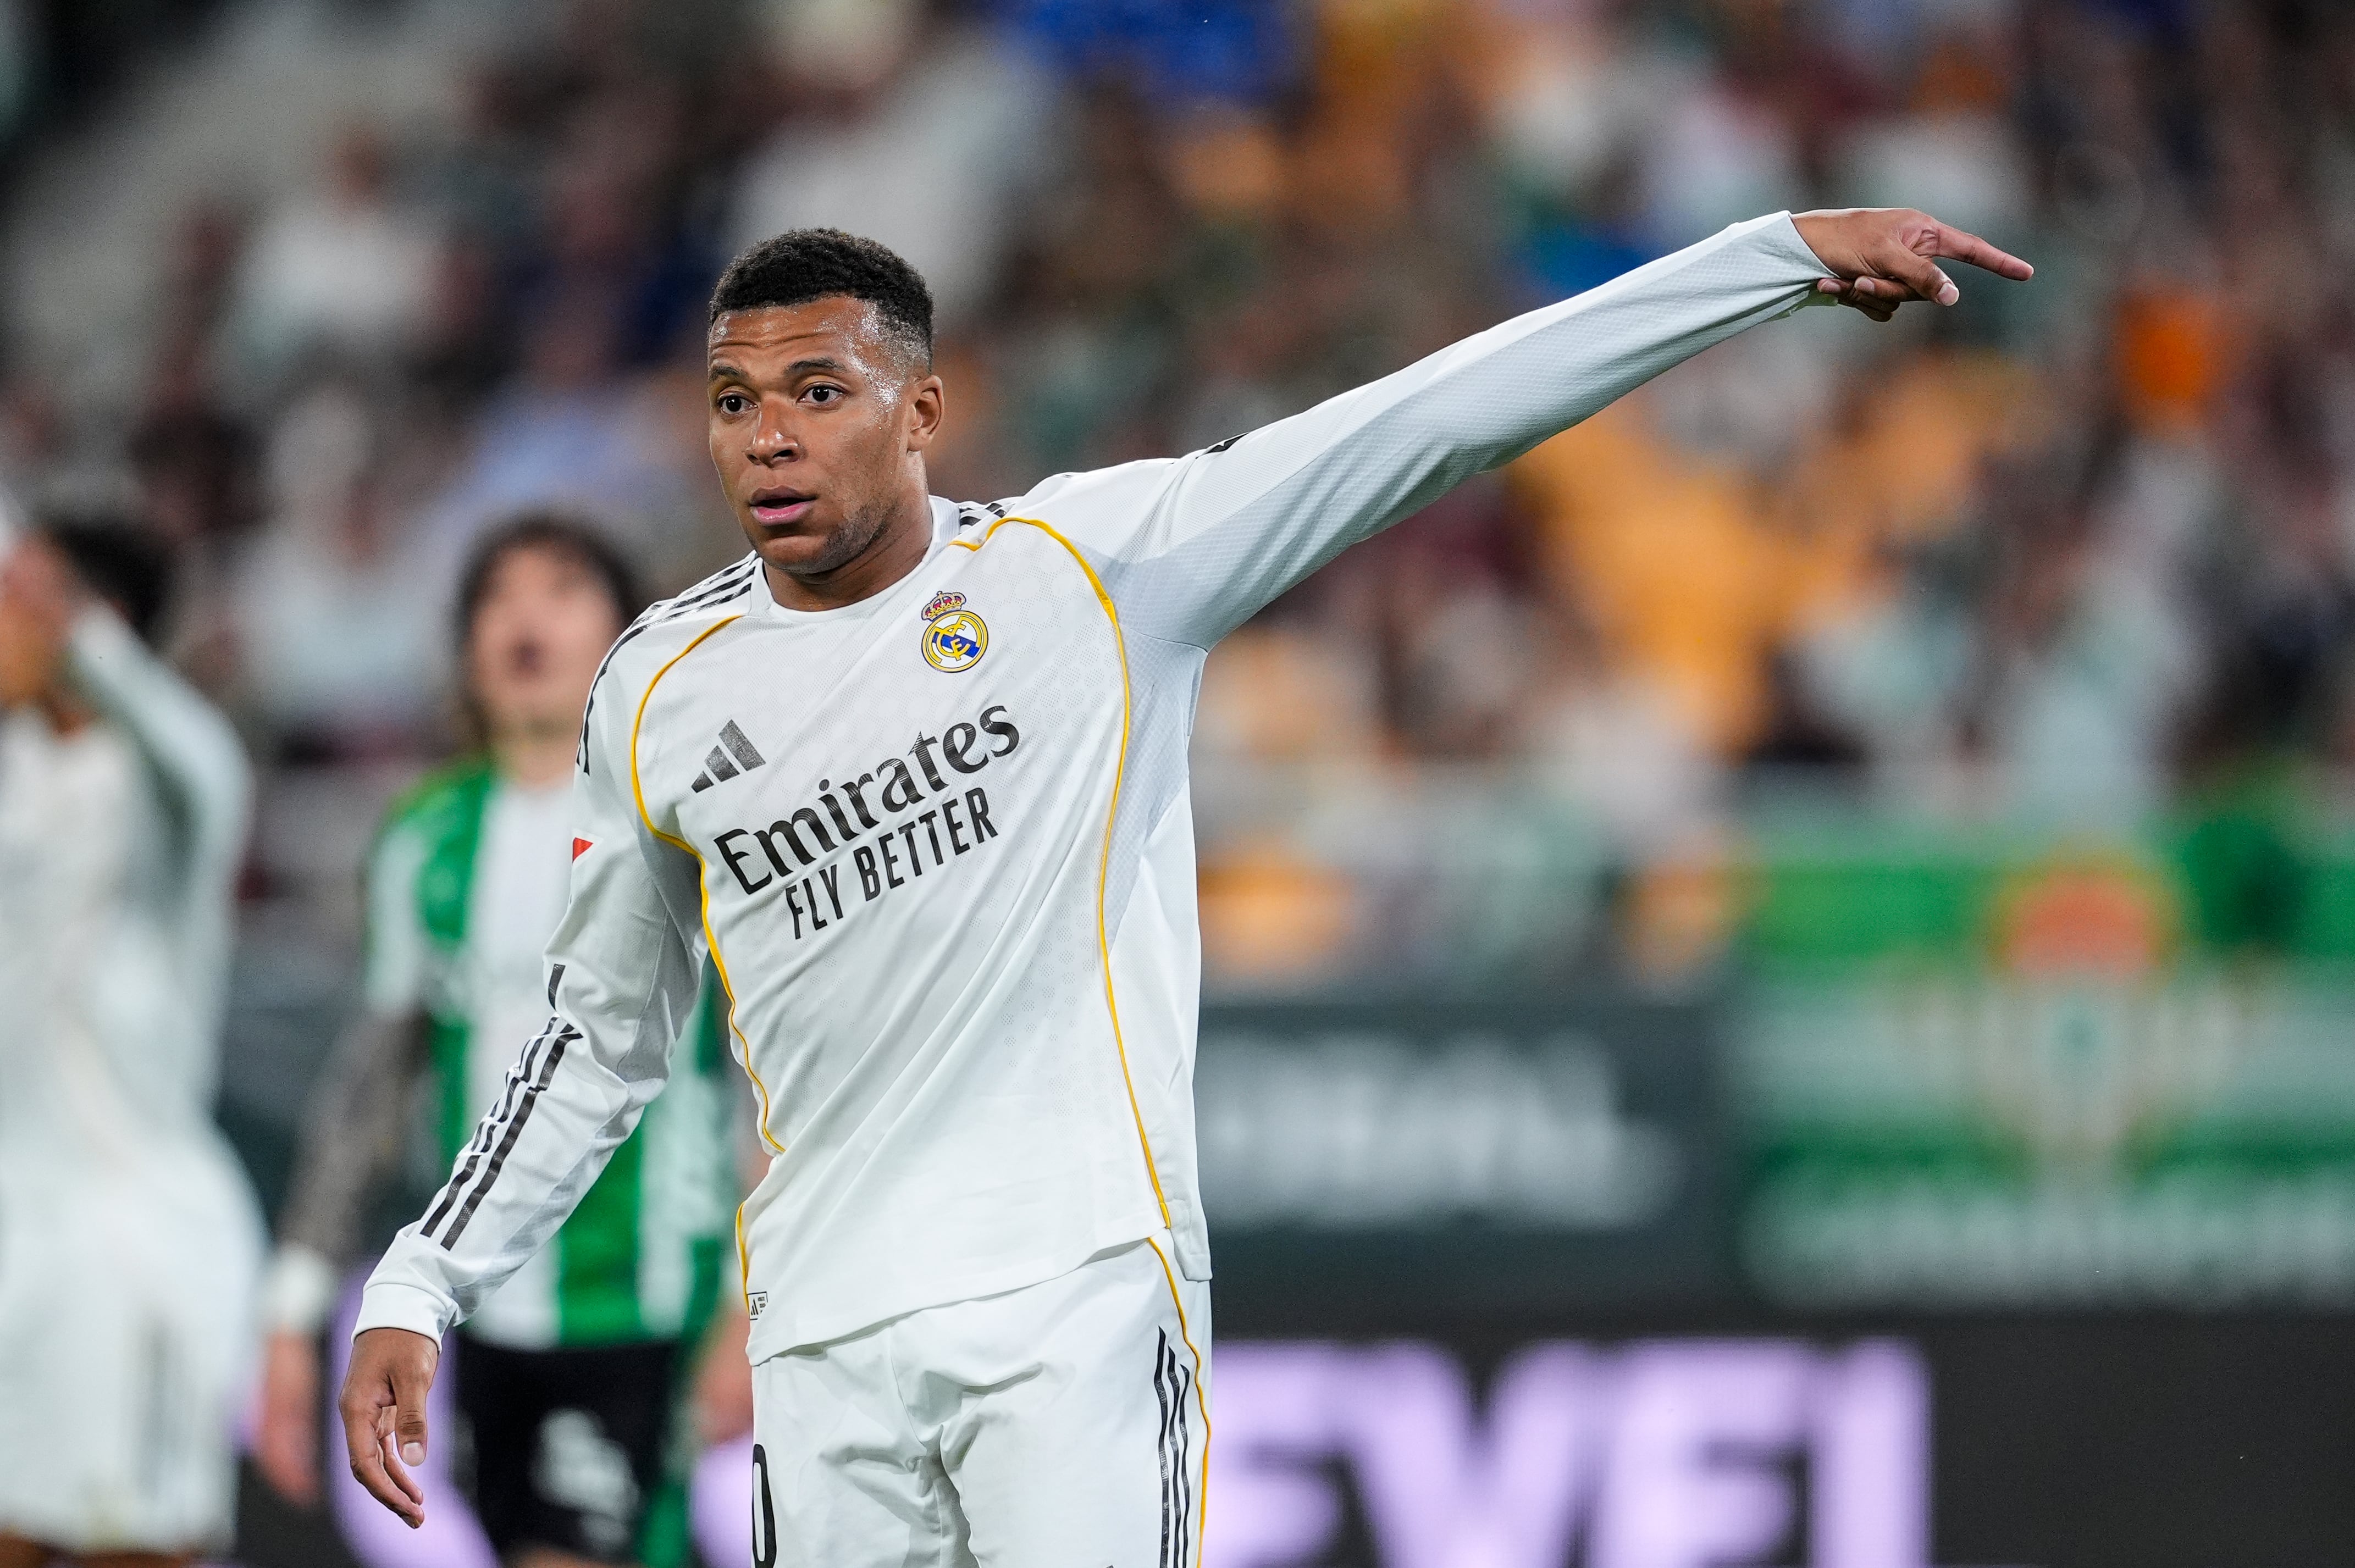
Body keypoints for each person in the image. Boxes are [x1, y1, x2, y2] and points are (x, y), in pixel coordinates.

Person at [341, 210, 2032, 1563]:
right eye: (732, 401)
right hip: (822, 1332)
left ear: (922, 412)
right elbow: (598, 1036)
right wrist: (422, 1274)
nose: (767, 437)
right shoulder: (656, 688)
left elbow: (1429, 416)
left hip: (1073, 1287)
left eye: (817, 391)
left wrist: (1765, 258)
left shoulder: (1097, 569)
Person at [254, 514, 749, 1568]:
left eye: (563, 588)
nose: (528, 617)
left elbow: (764, 1070)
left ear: (625, 630)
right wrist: (296, 1304)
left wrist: (755, 1298)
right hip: (479, 1311)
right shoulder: (422, 836)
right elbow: (375, 1083)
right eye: (500, 595)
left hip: (648, 1295)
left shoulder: (685, 813)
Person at [0, 513, 262, 1568]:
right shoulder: (17, 772)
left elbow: (194, 758)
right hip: (18, 1228)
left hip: (139, 1237)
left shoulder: (178, 785)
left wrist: (74, 634)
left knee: (136, 1546)